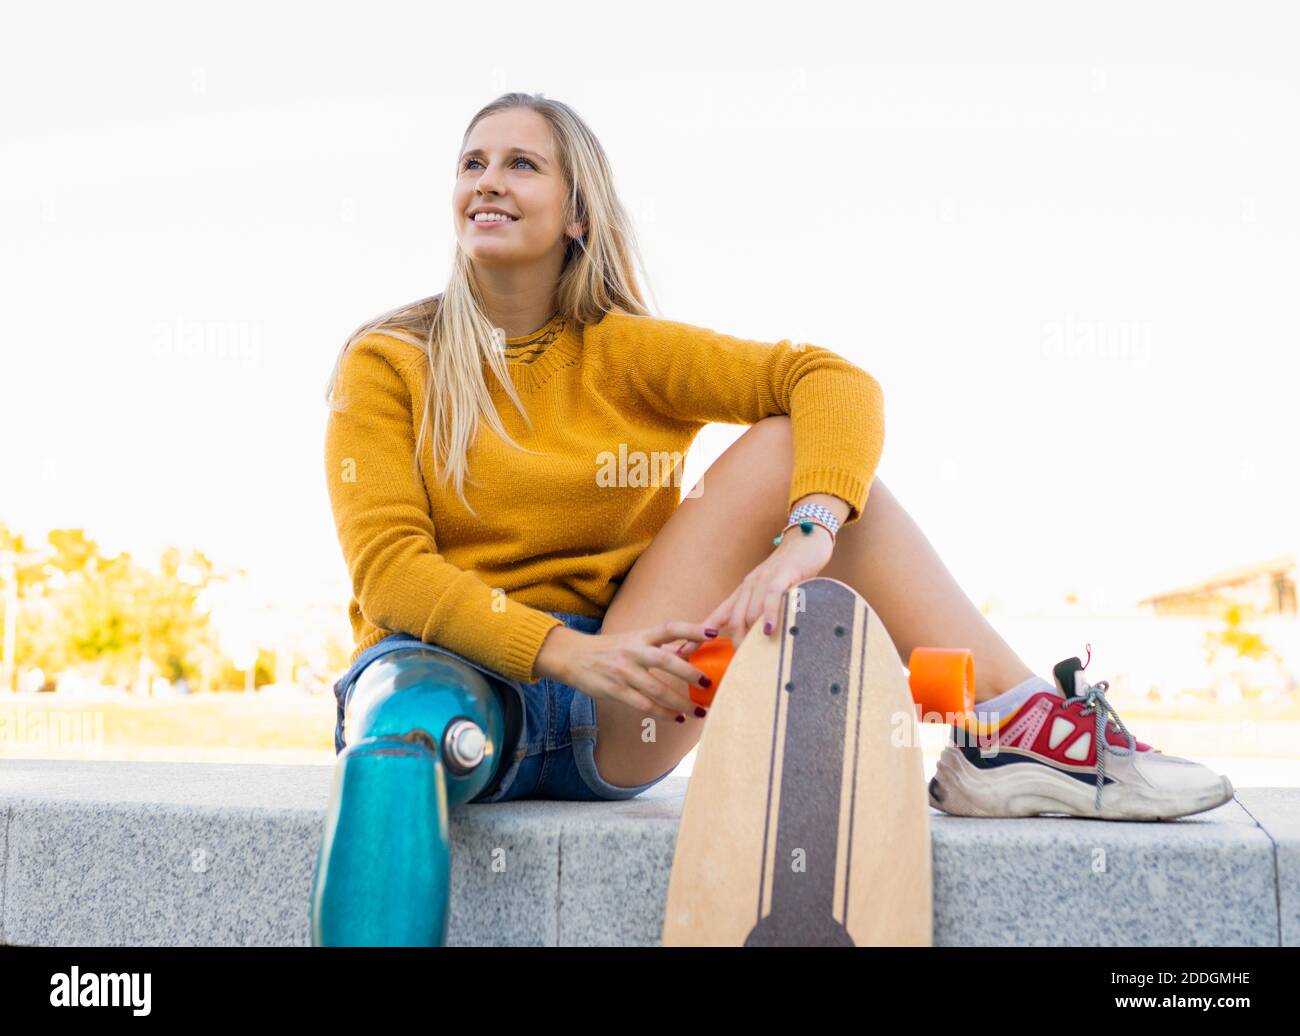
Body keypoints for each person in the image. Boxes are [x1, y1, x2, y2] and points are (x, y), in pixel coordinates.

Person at [322, 92, 1232, 820]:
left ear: (577, 214)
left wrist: (810, 533)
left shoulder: (624, 351)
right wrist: (558, 652)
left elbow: (830, 380)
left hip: (619, 698)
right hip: (445, 681)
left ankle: (1009, 725)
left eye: (522, 163)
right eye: (472, 162)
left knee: (799, 447)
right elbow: (393, 573)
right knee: (403, 725)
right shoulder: (390, 360)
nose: (489, 180)